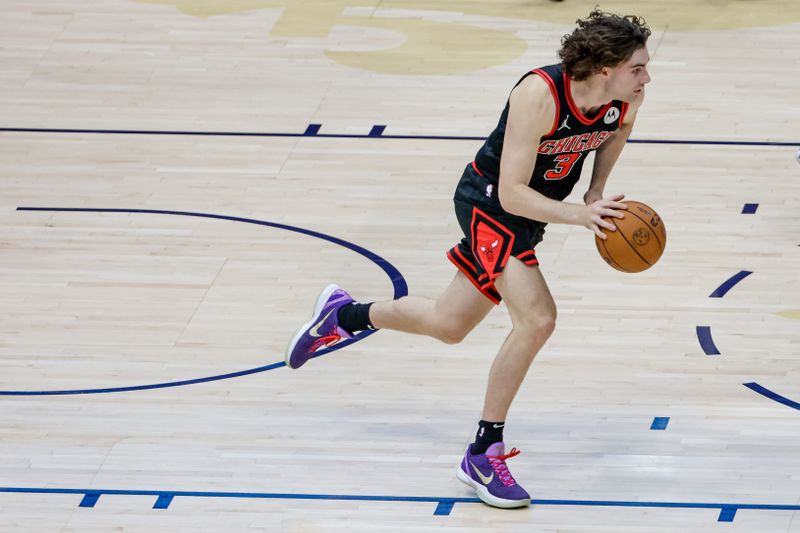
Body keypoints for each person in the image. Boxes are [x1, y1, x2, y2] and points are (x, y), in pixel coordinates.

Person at [285, 9, 652, 509]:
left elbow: (618, 130)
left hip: (530, 216)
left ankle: (343, 315)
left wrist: (596, 191)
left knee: (448, 324)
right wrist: (580, 217)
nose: (646, 78)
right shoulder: (538, 95)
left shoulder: (625, 96)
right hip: (489, 203)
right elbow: (513, 193)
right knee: (538, 319)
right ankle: (483, 452)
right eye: (638, 68)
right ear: (606, 67)